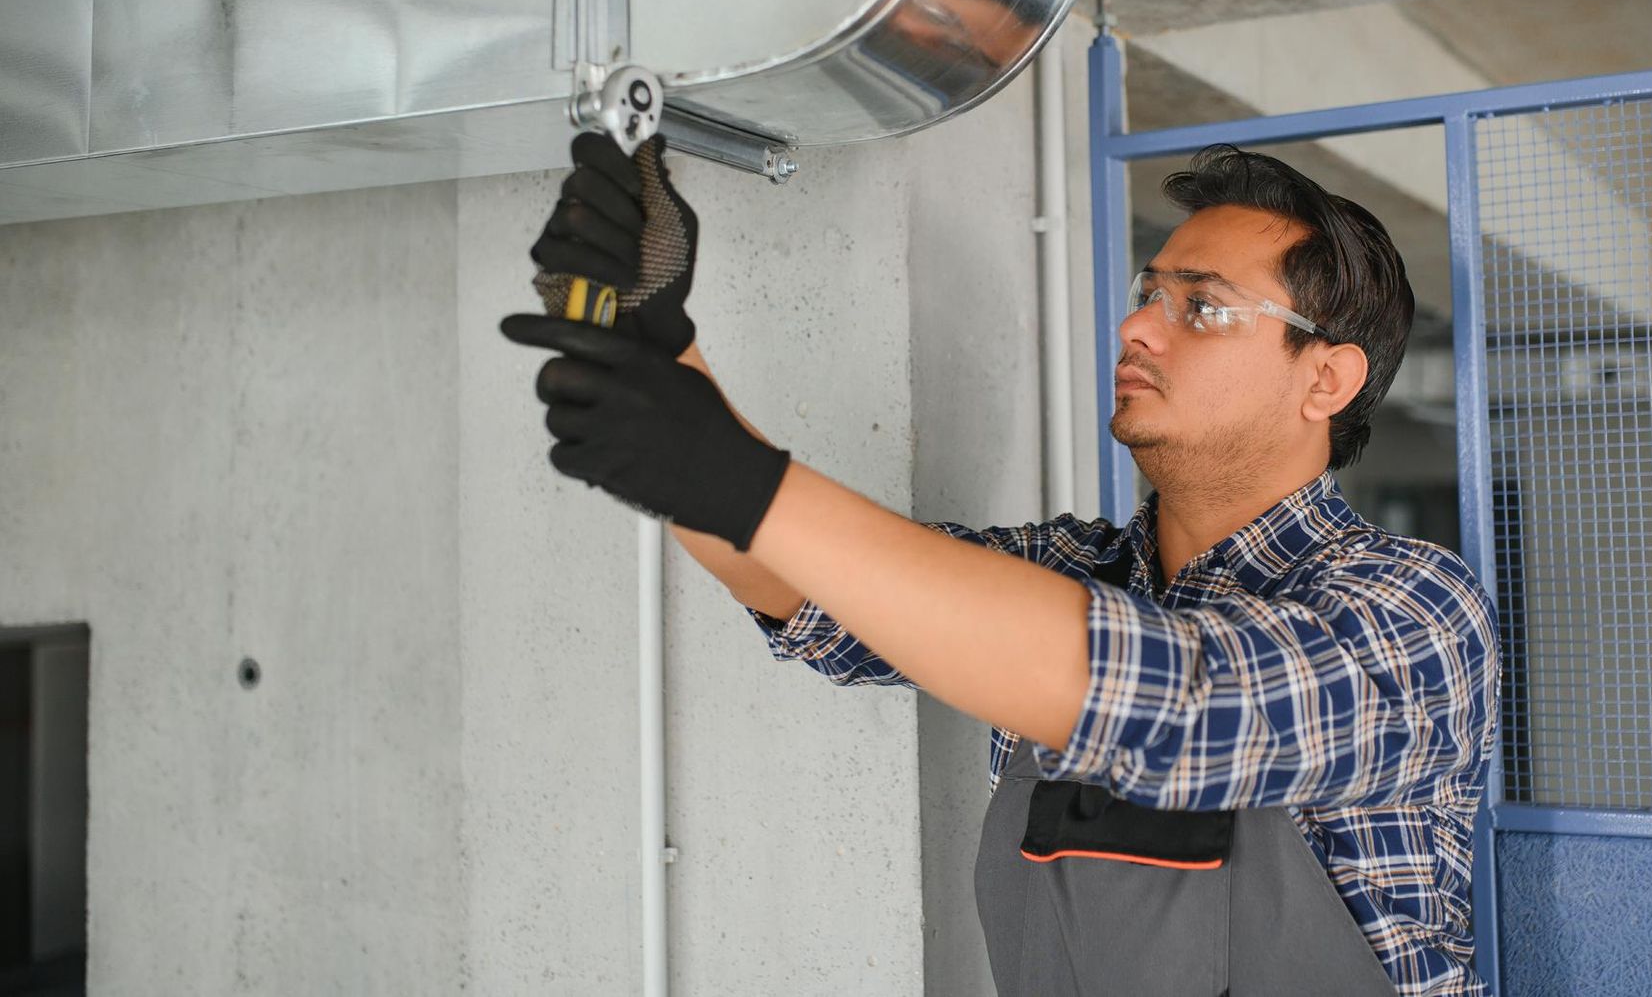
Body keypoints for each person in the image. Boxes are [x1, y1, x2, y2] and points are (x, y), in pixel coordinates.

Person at [502, 135, 1500, 996]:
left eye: (1201, 309)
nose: (1136, 326)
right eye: (1149, 291)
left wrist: (740, 478)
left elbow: (1182, 704)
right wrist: (655, 346)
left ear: (1326, 377)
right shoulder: (1075, 570)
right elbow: (823, 598)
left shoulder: (1412, 610)